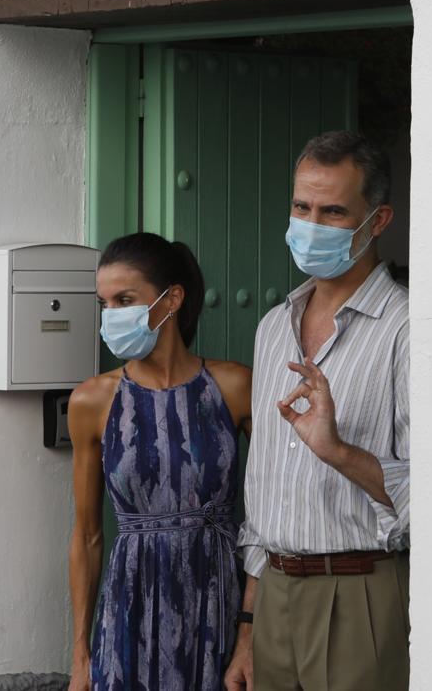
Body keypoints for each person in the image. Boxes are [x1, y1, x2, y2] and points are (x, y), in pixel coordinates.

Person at [225, 131, 410, 691]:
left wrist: (337, 452)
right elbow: (264, 492)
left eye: (332, 212)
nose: (311, 224)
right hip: (275, 594)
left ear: (376, 222)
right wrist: (249, 628)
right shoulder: (272, 326)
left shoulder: (407, 330)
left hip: (361, 592)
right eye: (301, 207)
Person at [67, 232, 253, 691]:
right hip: (130, 604)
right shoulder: (92, 400)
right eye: (104, 303)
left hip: (217, 601)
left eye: (124, 300)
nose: (111, 316)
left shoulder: (233, 386)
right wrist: (80, 654)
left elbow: (273, 515)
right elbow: (87, 535)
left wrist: (249, 632)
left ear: (171, 299)